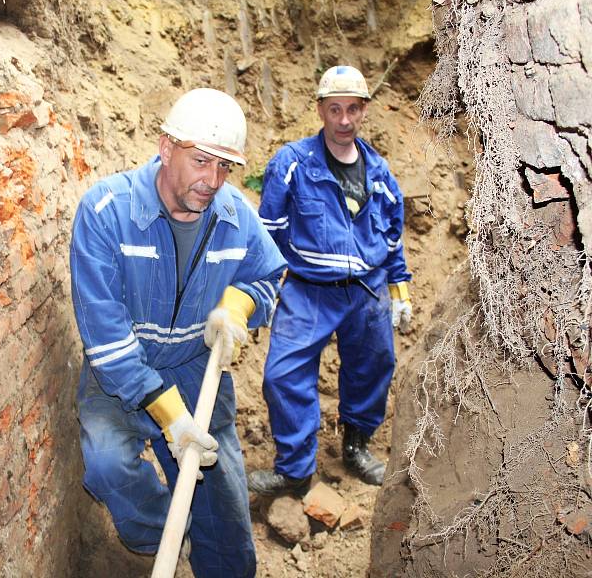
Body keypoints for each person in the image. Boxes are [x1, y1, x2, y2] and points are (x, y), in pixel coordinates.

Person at [70, 88, 286, 577]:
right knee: (107, 466)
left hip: (194, 366)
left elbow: (267, 276)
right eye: (200, 160)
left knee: (225, 507)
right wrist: (172, 417)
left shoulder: (236, 216)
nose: (212, 181)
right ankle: (166, 530)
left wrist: (236, 306)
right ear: (167, 148)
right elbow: (106, 340)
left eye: (224, 167)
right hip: (122, 371)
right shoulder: (106, 212)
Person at [248, 65, 413, 495]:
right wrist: (258, 291)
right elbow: (268, 234)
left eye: (352, 109)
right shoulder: (292, 164)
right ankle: (295, 470)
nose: (343, 120)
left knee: (373, 367)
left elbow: (393, 235)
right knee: (282, 375)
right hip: (308, 290)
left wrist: (399, 290)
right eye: (334, 109)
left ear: (364, 111)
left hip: (366, 291)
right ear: (320, 110)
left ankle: (356, 446)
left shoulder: (380, 174)